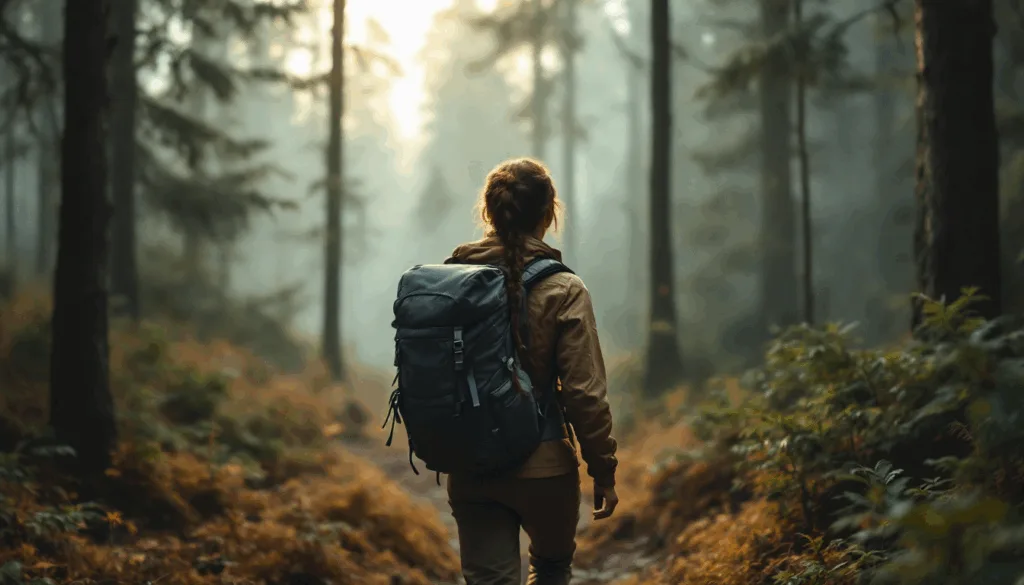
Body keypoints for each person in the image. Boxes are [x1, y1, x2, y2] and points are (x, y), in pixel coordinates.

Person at [442, 157, 619, 585]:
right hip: (546, 467)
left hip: (472, 466)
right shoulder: (564, 289)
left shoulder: (450, 281)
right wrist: (603, 469)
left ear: (489, 213)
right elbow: (583, 394)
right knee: (551, 568)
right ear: (548, 214)